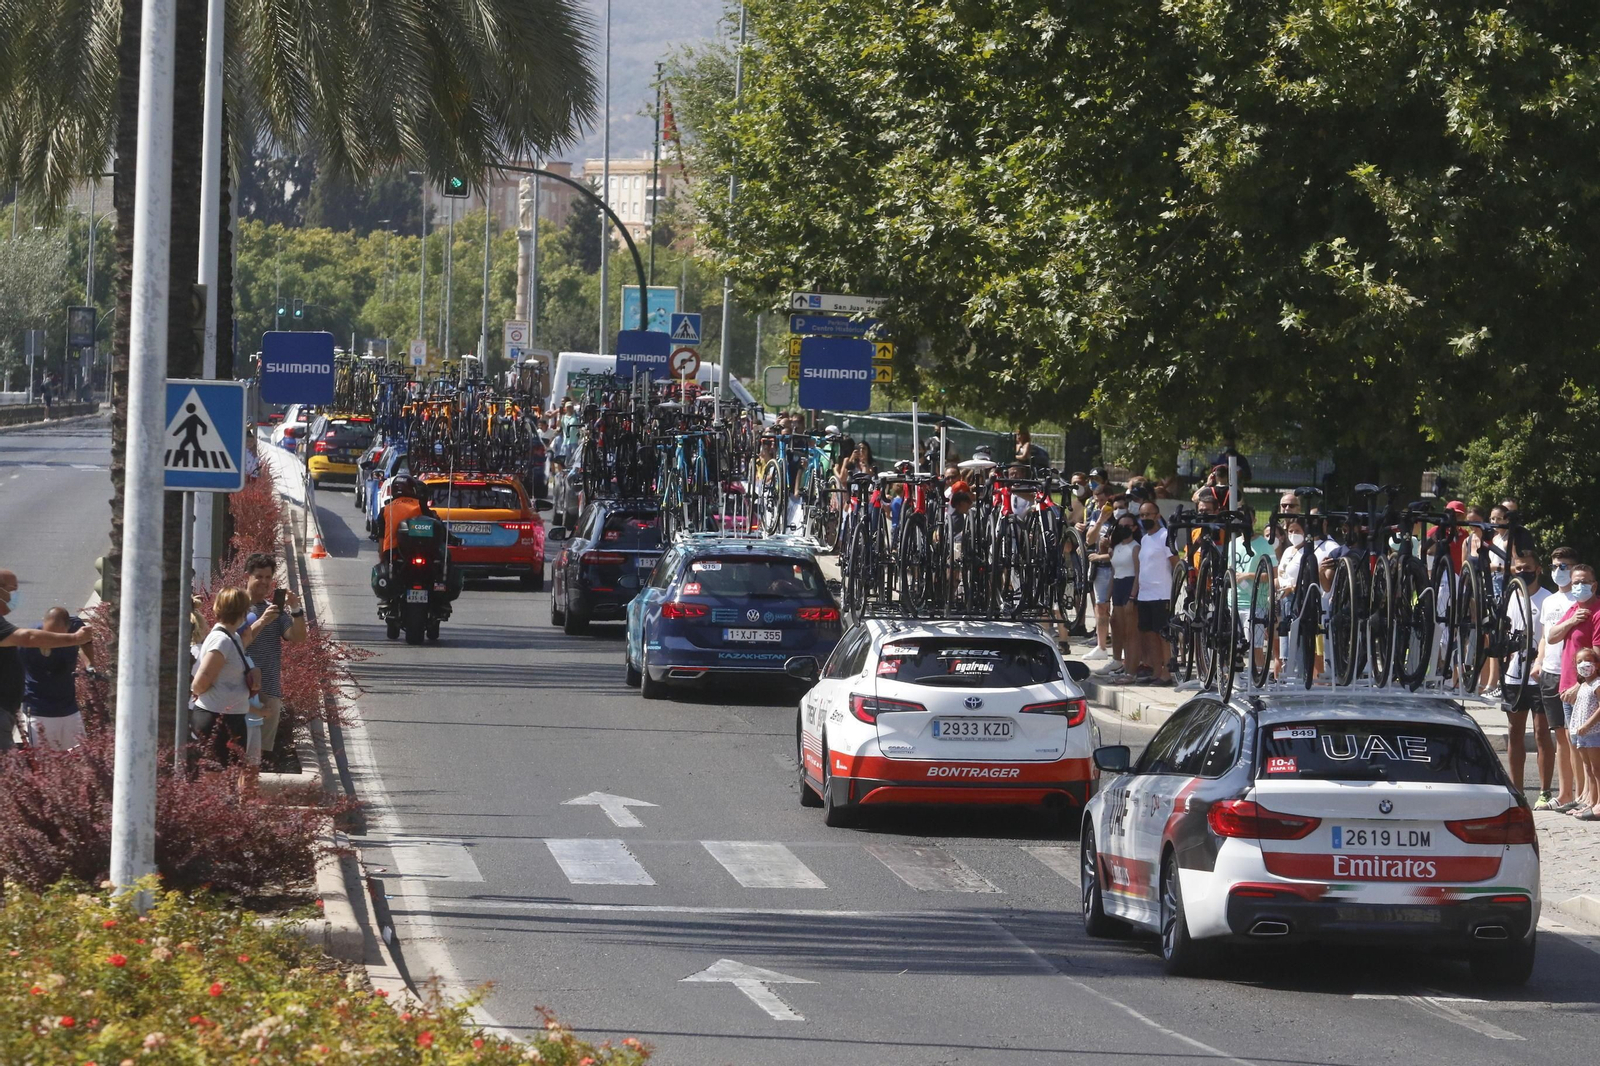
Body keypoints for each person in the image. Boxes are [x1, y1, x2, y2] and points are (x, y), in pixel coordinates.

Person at [0, 571, 94, 751]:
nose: (15, 596)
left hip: (13, 712)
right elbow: (27, 638)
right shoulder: (28, 634)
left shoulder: (72, 623)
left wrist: (90, 662)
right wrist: (74, 639)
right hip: (32, 712)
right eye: (13, 590)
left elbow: (85, 638)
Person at [240, 553, 308, 771]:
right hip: (241, 692)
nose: (264, 582)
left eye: (268, 577)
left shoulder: (275, 611)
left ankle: (248, 798)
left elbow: (297, 637)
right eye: (259, 576)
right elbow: (235, 643)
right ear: (247, 577)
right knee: (238, 750)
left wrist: (296, 609)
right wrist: (262, 621)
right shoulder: (237, 607)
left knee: (258, 756)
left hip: (269, 690)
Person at [1535, 547, 1583, 810]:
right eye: (1555, 566)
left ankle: (1583, 793)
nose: (1558, 571)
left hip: (1573, 676)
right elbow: (1545, 636)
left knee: (1579, 738)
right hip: (1550, 673)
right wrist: (1539, 661)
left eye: (1564, 566)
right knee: (1561, 738)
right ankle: (1565, 793)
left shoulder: (1578, 601)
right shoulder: (1550, 601)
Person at [189, 587, 258, 766]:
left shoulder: (233, 637)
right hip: (215, 720)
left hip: (231, 719)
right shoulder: (221, 640)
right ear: (243, 611)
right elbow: (200, 684)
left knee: (227, 785)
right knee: (215, 782)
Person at [1501, 552, 1549, 798]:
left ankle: (1544, 791)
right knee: (1514, 732)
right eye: (1518, 568)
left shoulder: (1547, 599)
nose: (1523, 572)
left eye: (1527, 567)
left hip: (1540, 675)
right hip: (1514, 674)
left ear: (1538, 569)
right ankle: (1516, 790)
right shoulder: (1510, 597)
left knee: (1542, 732)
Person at [19, 607, 96, 750]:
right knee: (45, 762)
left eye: (58, 635)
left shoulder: (75, 626)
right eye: (49, 634)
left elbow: (85, 642)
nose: (53, 639)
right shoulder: (29, 641)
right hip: (39, 711)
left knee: (81, 757)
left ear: (68, 628)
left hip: (69, 708)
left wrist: (90, 664)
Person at [1132, 500, 1176, 685]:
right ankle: (1157, 671)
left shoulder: (1165, 536)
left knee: (1163, 635)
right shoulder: (1144, 538)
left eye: (1148, 515)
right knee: (1149, 634)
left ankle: (1167, 672)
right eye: (1142, 515)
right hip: (1145, 595)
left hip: (1162, 594)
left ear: (1157, 516)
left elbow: (1175, 563)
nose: (1145, 518)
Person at [1230, 506, 1276, 673]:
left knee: (1255, 646)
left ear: (1254, 521)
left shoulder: (1263, 545)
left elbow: (1273, 574)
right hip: (1233, 602)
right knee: (1232, 644)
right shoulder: (1233, 544)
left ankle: (1258, 679)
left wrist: (1249, 575)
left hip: (1255, 603)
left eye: (1247, 519)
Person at [1562, 646, 1600, 820]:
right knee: (1589, 769)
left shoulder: (1597, 684)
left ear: (1597, 665)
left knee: (1596, 768)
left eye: (1588, 661)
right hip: (1582, 734)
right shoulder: (1584, 685)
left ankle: (1598, 803)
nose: (1584, 665)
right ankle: (1591, 803)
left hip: (1593, 732)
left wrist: (1587, 725)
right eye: (1579, 662)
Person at [1107, 516, 1140, 679]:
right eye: (1121, 526)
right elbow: (1114, 573)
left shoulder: (1135, 547)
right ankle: (1120, 662)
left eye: (1128, 525)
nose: (1124, 528)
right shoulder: (1116, 547)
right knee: (1118, 628)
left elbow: (1138, 573)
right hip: (1118, 587)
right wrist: (1108, 596)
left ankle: (1131, 669)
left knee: (1130, 632)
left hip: (1129, 586)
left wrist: (1132, 596)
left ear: (1134, 528)